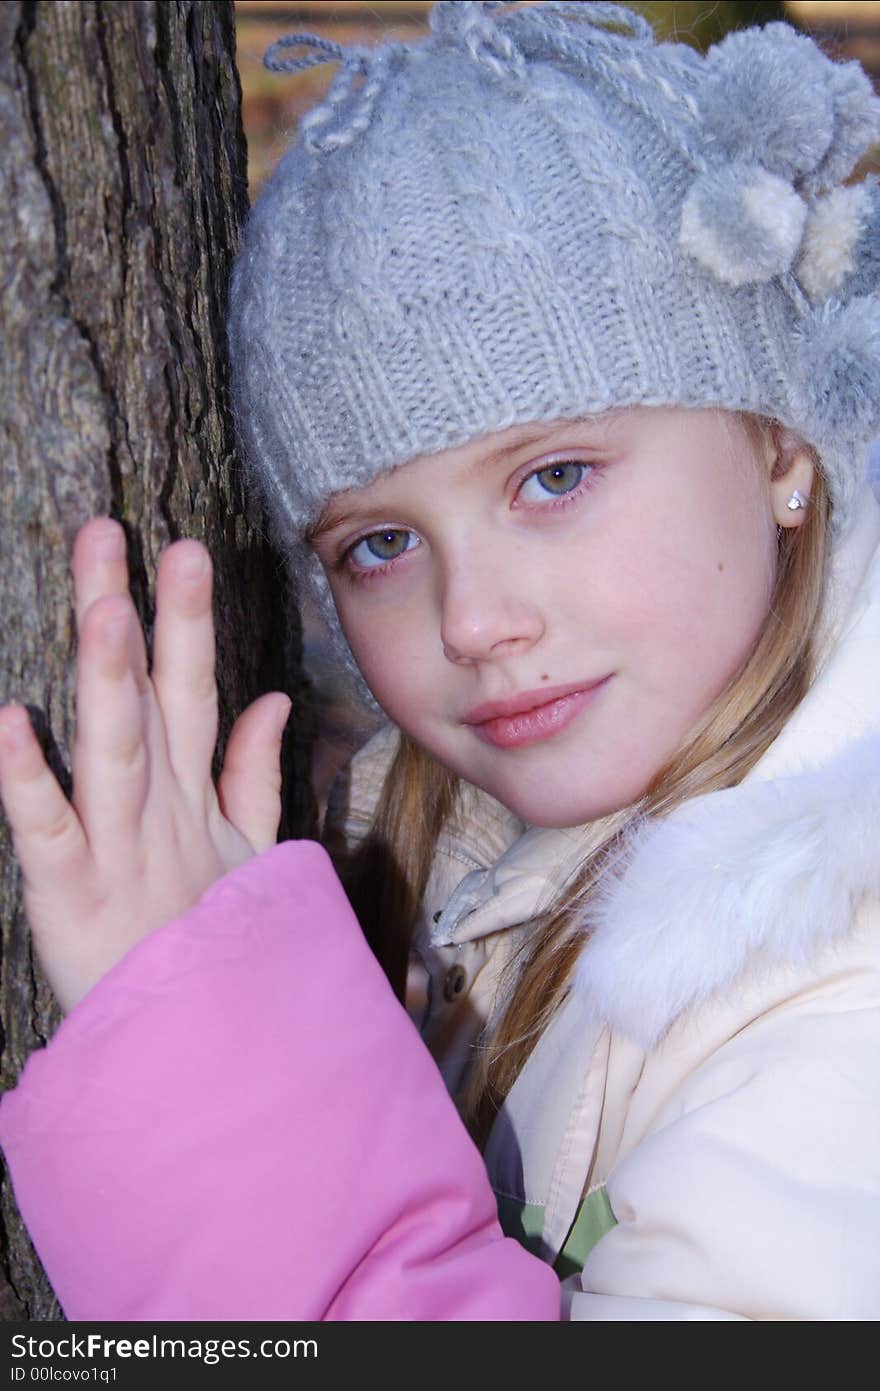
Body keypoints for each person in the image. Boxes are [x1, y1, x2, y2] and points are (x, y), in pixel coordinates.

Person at [1, 0, 879, 1321]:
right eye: (380, 547)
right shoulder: (451, 873)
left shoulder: (846, 973)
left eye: (555, 476)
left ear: (780, 446)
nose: (469, 620)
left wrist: (216, 1073)